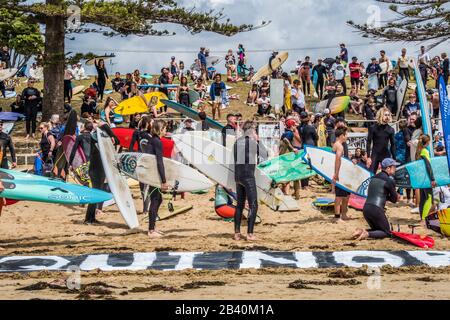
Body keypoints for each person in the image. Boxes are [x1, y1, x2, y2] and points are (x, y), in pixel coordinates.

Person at [233, 121, 268, 241]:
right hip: (248, 176)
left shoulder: (237, 142)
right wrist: (258, 141)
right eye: (254, 130)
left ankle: (237, 233)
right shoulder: (252, 142)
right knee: (253, 204)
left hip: (238, 176)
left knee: (240, 205)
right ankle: (250, 234)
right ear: (251, 131)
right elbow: (264, 155)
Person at [353, 158, 400, 240]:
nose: (395, 169)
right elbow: (394, 200)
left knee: (378, 230)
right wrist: (397, 196)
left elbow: (376, 193)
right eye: (394, 167)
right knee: (386, 232)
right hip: (376, 209)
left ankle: (360, 231)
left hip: (366, 208)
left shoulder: (373, 178)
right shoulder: (389, 181)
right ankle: (367, 234)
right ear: (388, 168)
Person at [84, 121, 120, 225]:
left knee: (97, 194)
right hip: (95, 170)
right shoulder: (95, 137)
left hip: (101, 169)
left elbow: (117, 141)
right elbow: (101, 125)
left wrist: (111, 135)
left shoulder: (104, 139)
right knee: (94, 195)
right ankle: (88, 219)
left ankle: (92, 218)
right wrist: (107, 129)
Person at [142, 120, 169, 238]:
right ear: (160, 129)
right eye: (165, 128)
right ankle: (151, 230)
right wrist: (163, 180)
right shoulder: (157, 141)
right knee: (155, 200)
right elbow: (159, 162)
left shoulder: (153, 139)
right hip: (153, 174)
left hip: (151, 172)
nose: (166, 131)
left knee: (158, 199)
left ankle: (153, 227)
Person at [367, 107, 396, 173]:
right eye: (385, 115)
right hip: (375, 154)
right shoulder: (373, 128)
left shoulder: (391, 129)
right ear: (381, 115)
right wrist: (368, 157)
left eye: (388, 115)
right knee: (371, 173)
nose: (387, 117)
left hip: (385, 154)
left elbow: (393, 144)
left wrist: (394, 158)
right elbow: (368, 142)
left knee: (387, 173)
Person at [415, 134, 436, 224]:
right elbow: (428, 165)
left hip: (421, 177)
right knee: (429, 198)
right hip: (426, 178)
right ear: (427, 142)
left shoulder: (418, 151)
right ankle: (424, 219)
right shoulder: (425, 151)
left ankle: (421, 218)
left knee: (423, 198)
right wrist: (432, 179)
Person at [332, 127, 351, 222]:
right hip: (340, 173)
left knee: (346, 195)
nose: (347, 136)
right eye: (346, 134)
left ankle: (343, 214)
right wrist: (336, 174)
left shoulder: (339, 145)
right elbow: (337, 159)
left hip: (343, 173)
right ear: (341, 136)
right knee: (339, 196)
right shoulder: (339, 146)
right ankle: (337, 217)